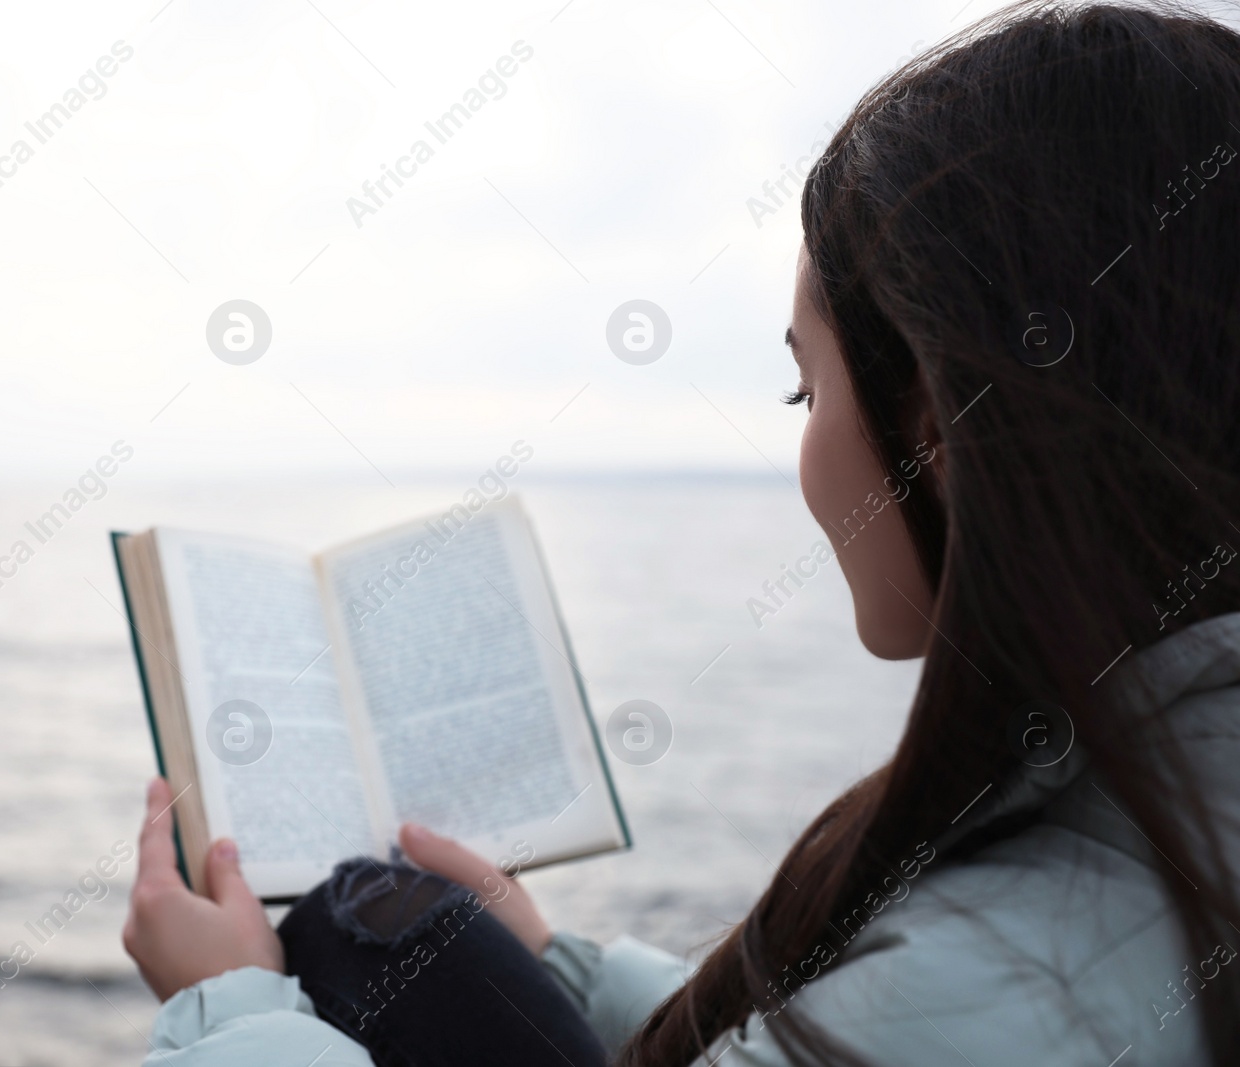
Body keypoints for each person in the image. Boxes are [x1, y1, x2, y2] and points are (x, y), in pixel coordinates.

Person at [119, 3, 1240, 1064]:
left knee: (350, 929)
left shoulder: (983, 984)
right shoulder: (1143, 831)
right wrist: (557, 961)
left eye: (804, 392)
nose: (805, 446)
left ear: (935, 424)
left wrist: (232, 1008)